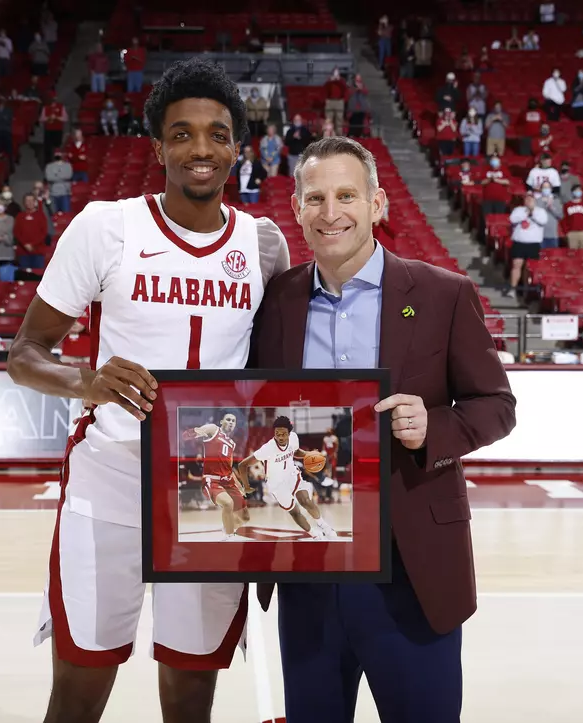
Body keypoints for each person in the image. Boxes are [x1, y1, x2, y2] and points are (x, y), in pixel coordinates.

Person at [6, 57, 290, 723]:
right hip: (110, 483)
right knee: (79, 689)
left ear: (236, 148)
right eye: (183, 133)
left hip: (209, 495)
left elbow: (284, 373)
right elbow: (25, 355)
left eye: (217, 134)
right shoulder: (106, 226)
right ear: (159, 146)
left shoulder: (265, 243)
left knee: (191, 695)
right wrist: (86, 380)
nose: (201, 148)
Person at [250, 136, 516, 723]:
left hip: (411, 566)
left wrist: (434, 427)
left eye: (346, 195)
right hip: (308, 567)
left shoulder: (444, 294)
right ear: (295, 209)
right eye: (315, 198)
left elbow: (497, 404)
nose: (330, 212)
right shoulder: (275, 303)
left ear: (378, 204)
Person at [236, 416, 336, 539]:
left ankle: (325, 526)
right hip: (277, 484)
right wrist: (246, 486)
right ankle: (314, 534)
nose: (280, 437)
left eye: (283, 434)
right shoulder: (268, 448)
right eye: (277, 434)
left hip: (292, 475)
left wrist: (307, 455)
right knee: (295, 512)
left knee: (306, 501)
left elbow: (295, 451)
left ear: (289, 433)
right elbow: (242, 465)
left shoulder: (294, 438)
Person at [184, 412, 249, 541]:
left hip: (228, 481)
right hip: (212, 480)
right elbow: (200, 431)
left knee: (244, 518)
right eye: (228, 419)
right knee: (228, 503)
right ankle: (229, 536)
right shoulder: (214, 429)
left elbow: (229, 469)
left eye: (233, 421)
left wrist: (239, 485)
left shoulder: (231, 443)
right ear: (221, 422)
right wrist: (194, 432)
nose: (230, 422)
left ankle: (227, 527)